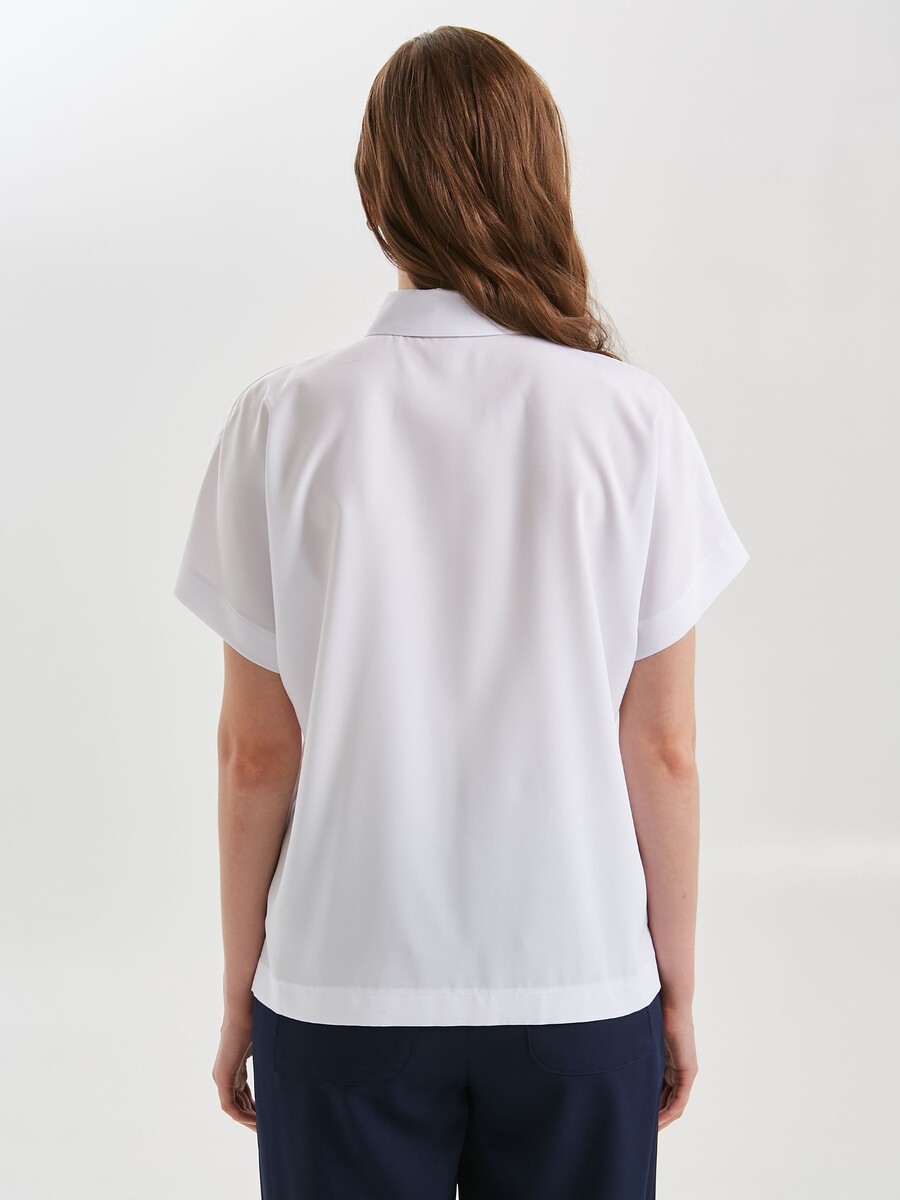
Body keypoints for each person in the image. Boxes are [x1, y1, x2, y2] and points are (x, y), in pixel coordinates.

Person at [173, 25, 750, 1200]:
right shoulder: (634, 422)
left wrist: (240, 993)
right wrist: (675, 984)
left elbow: (254, 754)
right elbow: (666, 747)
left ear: (376, 194)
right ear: (542, 176)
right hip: (579, 982)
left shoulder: (282, 422)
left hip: (341, 985)